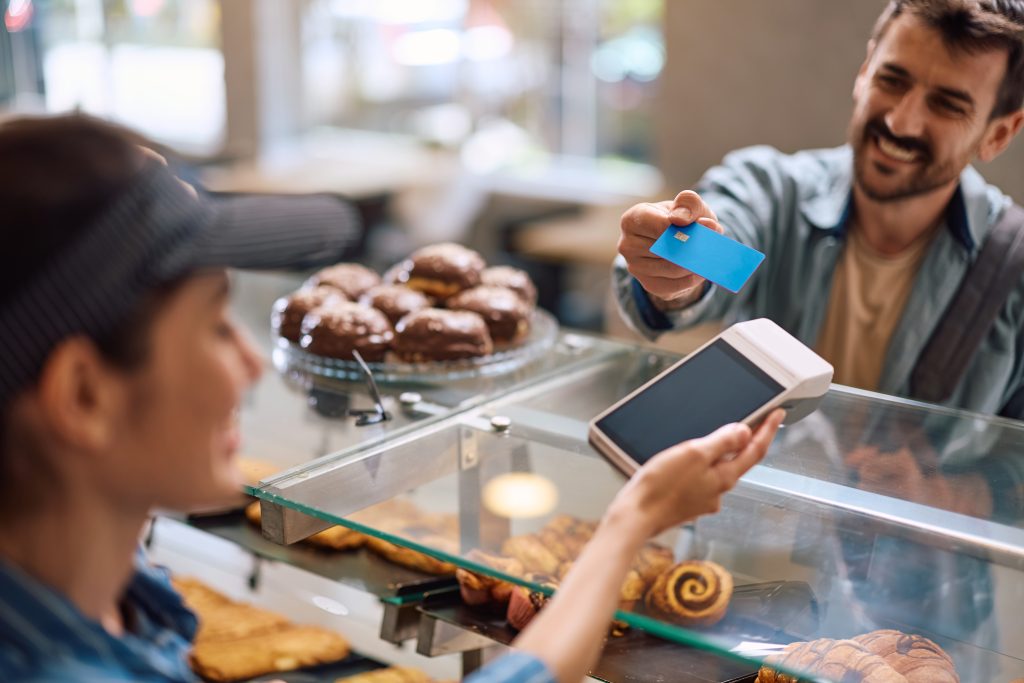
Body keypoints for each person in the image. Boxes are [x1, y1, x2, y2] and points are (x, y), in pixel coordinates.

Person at [0, 113, 784, 683]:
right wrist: (633, 520)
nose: (250, 364)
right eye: (212, 327)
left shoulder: (112, 603)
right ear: (83, 394)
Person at [615, 0, 1024, 418]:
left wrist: (960, 485)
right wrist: (679, 260)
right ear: (864, 71)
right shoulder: (775, 191)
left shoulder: (1015, 267)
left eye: (947, 105)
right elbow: (717, 248)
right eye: (892, 79)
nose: (901, 122)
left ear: (998, 134)